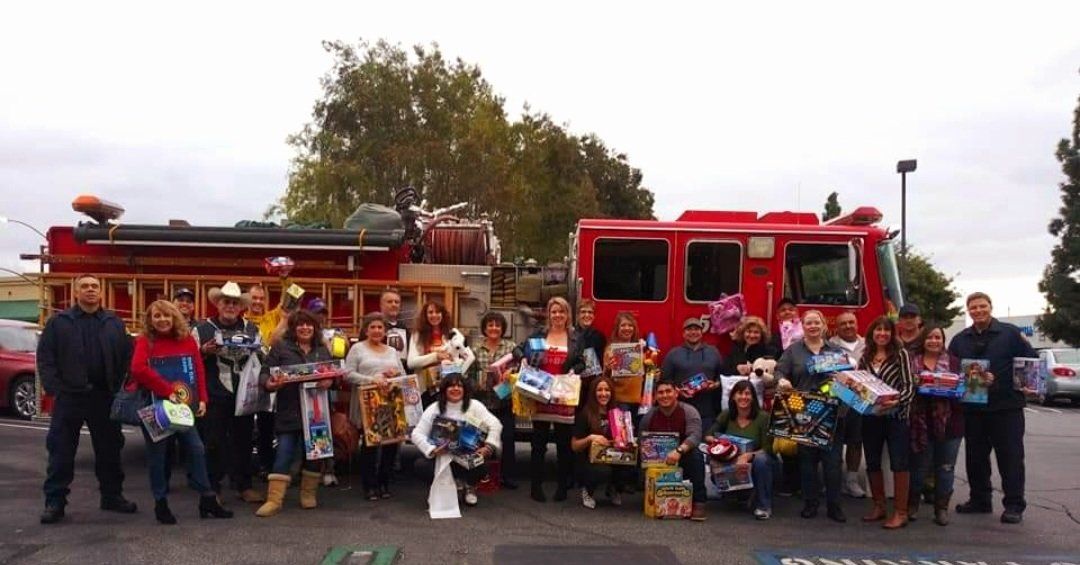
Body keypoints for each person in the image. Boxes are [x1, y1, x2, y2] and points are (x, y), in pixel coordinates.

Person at [38, 274, 136, 524]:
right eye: (85, 286)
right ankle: (55, 501)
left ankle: (112, 496)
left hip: (104, 397)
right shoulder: (59, 323)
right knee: (61, 451)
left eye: (94, 286)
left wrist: (120, 387)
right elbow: (46, 358)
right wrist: (55, 389)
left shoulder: (113, 322)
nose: (90, 290)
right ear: (76, 292)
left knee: (110, 450)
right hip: (70, 397)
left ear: (101, 293)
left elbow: (127, 355)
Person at [130, 300, 233, 524]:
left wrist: (203, 399)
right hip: (155, 406)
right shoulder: (144, 341)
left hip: (184, 407)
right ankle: (160, 503)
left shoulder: (186, 340)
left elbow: (198, 371)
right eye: (156, 316)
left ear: (174, 317)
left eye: (167, 315)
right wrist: (168, 391)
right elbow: (138, 369)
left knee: (196, 449)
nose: (162, 320)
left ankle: (207, 499)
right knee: (158, 455)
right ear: (150, 319)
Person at [947, 292, 1036, 524]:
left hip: (1006, 408)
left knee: (1010, 459)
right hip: (973, 409)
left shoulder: (1010, 333)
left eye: (982, 306)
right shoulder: (959, 339)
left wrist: (1026, 385)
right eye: (973, 308)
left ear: (990, 307)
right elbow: (951, 370)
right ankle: (980, 500)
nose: (978, 311)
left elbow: (1030, 360)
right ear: (968, 311)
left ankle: (1014, 505)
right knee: (975, 458)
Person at [255, 310, 336, 517]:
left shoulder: (322, 349)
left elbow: (332, 374)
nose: (305, 328)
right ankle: (274, 500)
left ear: (315, 327)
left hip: (317, 411)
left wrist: (330, 381)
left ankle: (308, 494)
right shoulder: (281, 347)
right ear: (293, 327)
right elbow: (265, 372)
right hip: (289, 409)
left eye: (309, 324)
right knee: (283, 453)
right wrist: (270, 383)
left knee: (315, 455)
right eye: (300, 324)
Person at [194, 281, 264, 503]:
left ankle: (243, 485)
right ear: (218, 304)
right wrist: (203, 351)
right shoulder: (202, 329)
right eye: (226, 302)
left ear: (240, 306)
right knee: (213, 441)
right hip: (214, 393)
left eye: (235, 303)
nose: (230, 306)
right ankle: (213, 488)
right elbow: (189, 359)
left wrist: (256, 351)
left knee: (243, 440)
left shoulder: (251, 328)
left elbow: (263, 355)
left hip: (243, 394)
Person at [776, 309, 847, 522]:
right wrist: (781, 380)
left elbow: (848, 377)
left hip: (832, 412)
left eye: (817, 322)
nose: (813, 326)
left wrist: (843, 378)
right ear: (803, 326)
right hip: (804, 411)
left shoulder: (835, 350)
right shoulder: (793, 351)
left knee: (832, 463)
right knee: (807, 462)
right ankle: (810, 503)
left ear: (824, 325)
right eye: (809, 323)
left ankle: (834, 506)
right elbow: (780, 371)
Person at [523, 297, 585, 503]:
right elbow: (520, 350)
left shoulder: (575, 337)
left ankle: (562, 487)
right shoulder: (539, 334)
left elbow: (583, 362)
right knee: (538, 444)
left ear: (568, 315)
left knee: (563, 445)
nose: (557, 315)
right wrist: (523, 358)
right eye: (554, 312)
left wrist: (573, 370)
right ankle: (536, 487)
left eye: (561, 312)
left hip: (564, 395)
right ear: (549, 314)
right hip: (541, 393)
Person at [411, 372, 502, 509]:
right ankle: (454, 483)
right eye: (451, 386)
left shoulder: (474, 406)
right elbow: (416, 433)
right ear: (444, 390)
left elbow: (495, 424)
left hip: (467, 456)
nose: (456, 389)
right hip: (443, 456)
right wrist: (432, 450)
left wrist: (488, 447)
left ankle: (470, 486)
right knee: (420, 465)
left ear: (465, 389)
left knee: (482, 463)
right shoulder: (434, 408)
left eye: (459, 386)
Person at [858, 316, 916, 529]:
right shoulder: (865, 356)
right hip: (871, 417)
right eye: (878, 330)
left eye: (886, 330)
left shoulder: (901, 355)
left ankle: (901, 512)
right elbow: (859, 385)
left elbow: (910, 386)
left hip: (896, 417)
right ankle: (879, 506)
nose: (882, 334)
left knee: (899, 462)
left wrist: (895, 402)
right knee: (872, 461)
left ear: (892, 334)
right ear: (872, 333)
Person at [344, 313, 407, 500]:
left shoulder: (392, 351)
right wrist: (372, 380)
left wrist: (394, 373)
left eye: (380, 327)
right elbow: (347, 374)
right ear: (366, 329)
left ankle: (384, 483)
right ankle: (369, 485)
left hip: (390, 405)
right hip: (368, 404)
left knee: (391, 446)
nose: (377, 331)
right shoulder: (357, 349)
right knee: (370, 445)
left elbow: (403, 376)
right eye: (373, 327)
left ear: (385, 331)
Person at [909, 326, 963, 526]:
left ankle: (941, 509)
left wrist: (981, 382)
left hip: (950, 423)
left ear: (943, 340)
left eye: (938, 337)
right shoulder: (912, 362)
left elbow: (966, 390)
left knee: (946, 468)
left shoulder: (955, 362)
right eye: (930, 337)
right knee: (919, 468)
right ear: (923, 340)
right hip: (920, 423)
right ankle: (912, 505)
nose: (934, 341)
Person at [704, 379, 777, 520]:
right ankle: (732, 493)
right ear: (733, 397)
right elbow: (708, 435)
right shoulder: (727, 414)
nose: (743, 397)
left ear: (753, 398)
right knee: (712, 454)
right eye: (740, 393)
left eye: (747, 394)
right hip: (731, 460)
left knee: (761, 460)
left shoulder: (763, 417)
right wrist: (717, 443)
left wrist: (749, 455)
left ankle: (763, 506)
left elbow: (768, 448)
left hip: (758, 463)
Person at [639, 378, 707, 521]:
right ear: (656, 396)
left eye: (668, 391)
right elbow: (642, 439)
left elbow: (695, 435)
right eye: (661, 393)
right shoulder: (649, 416)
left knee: (696, 455)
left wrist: (679, 451)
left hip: (683, 456)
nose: (665, 396)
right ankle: (651, 497)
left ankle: (699, 502)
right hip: (658, 460)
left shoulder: (689, 411)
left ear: (676, 393)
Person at [471, 311, 523, 490]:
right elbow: (468, 374)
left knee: (508, 438)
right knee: (480, 440)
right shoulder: (476, 349)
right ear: (484, 328)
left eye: (498, 325)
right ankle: (481, 474)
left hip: (505, 400)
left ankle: (507, 476)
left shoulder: (511, 347)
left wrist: (512, 374)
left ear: (503, 329)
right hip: (483, 402)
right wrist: (478, 382)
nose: (494, 328)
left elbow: (521, 369)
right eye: (490, 325)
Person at [571, 376, 631, 509]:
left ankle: (614, 489)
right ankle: (588, 490)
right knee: (602, 471)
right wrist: (590, 438)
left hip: (615, 456)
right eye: (599, 390)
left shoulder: (619, 413)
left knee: (629, 464)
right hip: (590, 459)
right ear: (593, 393)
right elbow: (574, 446)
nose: (603, 393)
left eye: (607, 390)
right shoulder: (585, 414)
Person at [828, 311, 867, 499]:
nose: (848, 326)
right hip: (836, 399)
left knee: (855, 440)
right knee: (832, 442)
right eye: (843, 324)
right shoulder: (829, 346)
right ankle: (832, 481)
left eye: (851, 322)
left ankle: (851, 481)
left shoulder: (867, 345)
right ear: (837, 327)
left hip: (860, 402)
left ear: (857, 323)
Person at [408, 301, 474, 404]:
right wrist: (436, 356)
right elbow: (411, 363)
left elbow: (468, 357)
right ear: (425, 315)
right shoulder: (418, 335)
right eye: (430, 312)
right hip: (425, 390)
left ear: (443, 314)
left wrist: (458, 368)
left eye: (438, 312)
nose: (434, 315)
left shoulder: (453, 333)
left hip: (448, 388)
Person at [661, 317, 723, 423]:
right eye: (689, 329)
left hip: (707, 413)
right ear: (683, 333)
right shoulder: (673, 354)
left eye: (696, 329)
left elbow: (723, 378)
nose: (693, 332)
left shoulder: (714, 352)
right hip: (680, 411)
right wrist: (677, 391)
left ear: (701, 332)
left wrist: (714, 385)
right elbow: (664, 381)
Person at [245, 283, 278, 482]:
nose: (257, 302)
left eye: (261, 298)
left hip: (267, 378)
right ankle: (242, 470)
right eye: (254, 298)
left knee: (267, 424)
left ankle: (267, 466)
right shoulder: (240, 320)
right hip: (244, 380)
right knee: (243, 426)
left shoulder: (272, 318)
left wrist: (285, 278)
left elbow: (290, 303)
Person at [604, 311, 645, 409]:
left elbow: (644, 373)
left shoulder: (640, 348)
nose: (627, 328)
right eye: (623, 325)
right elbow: (605, 378)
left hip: (639, 401)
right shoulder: (610, 350)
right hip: (620, 401)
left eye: (630, 325)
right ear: (617, 328)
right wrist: (609, 369)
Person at [380, 289, 410, 364]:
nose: (394, 305)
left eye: (397, 302)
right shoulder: (373, 326)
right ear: (381, 305)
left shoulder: (404, 327)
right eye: (389, 302)